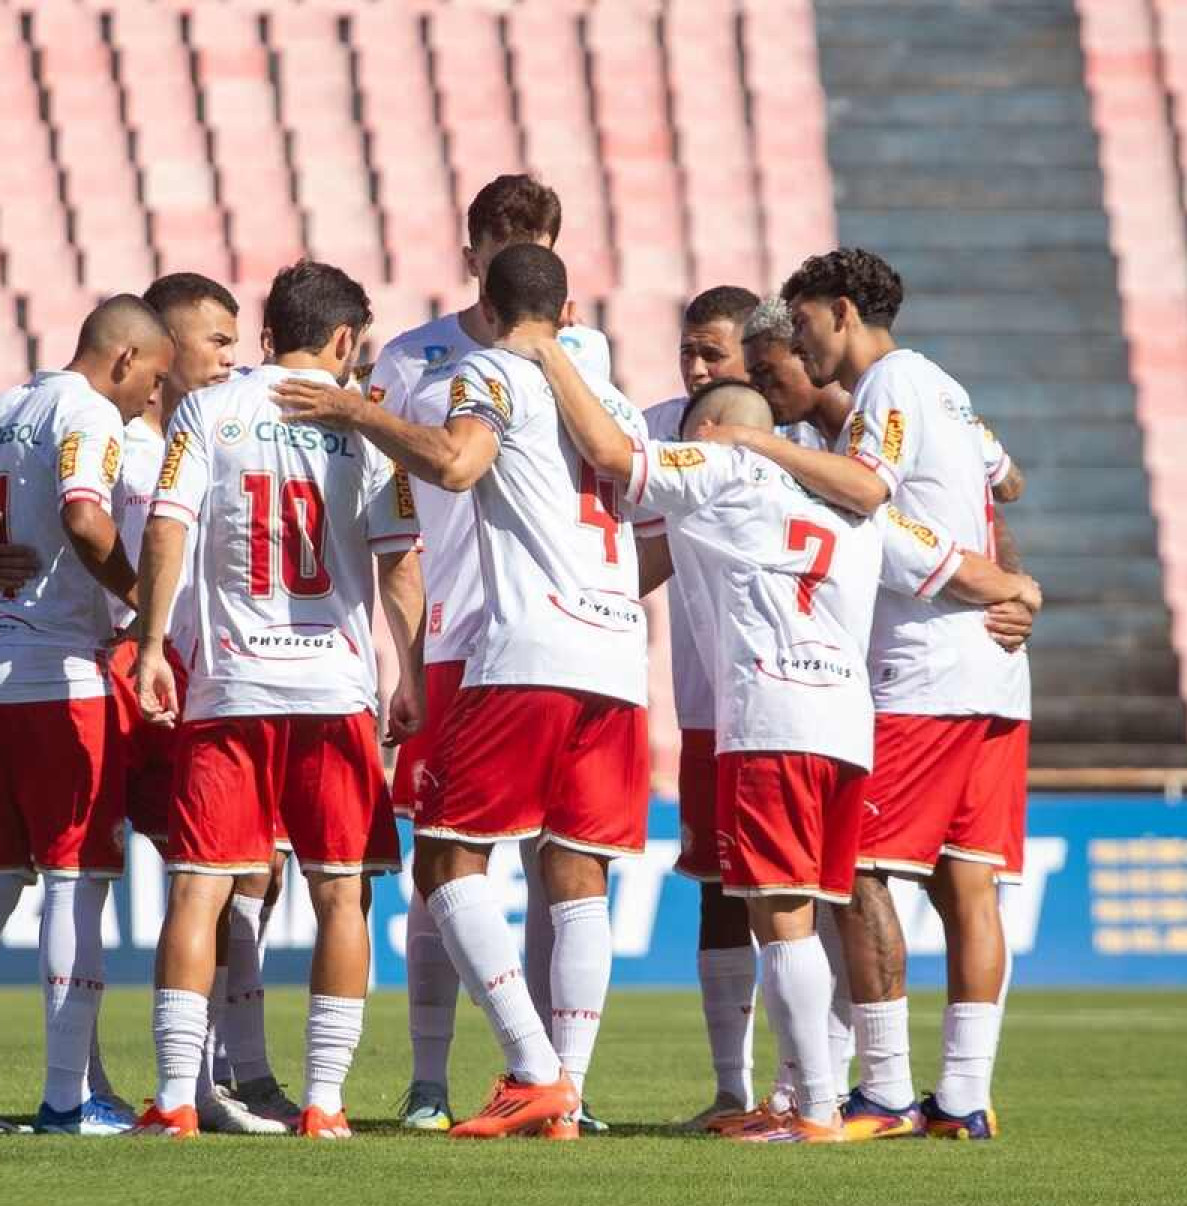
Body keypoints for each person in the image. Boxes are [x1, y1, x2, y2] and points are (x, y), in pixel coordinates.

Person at [550, 377, 1041, 1141]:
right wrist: (1023, 593)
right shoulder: (856, 505)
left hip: (769, 718)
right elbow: (954, 565)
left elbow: (614, 454)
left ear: (712, 429)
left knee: (780, 919)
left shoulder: (723, 470)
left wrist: (549, 355)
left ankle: (812, 1107)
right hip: (849, 728)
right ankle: (808, 1098)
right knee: (810, 911)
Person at [283, 243, 651, 1139]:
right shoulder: (615, 406)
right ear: (568, 313)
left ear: (484, 304)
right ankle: (569, 1088)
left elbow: (454, 463)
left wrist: (354, 412)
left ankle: (532, 1070)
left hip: (528, 646)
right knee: (576, 872)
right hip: (619, 654)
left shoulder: (489, 369)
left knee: (446, 860)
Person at [129, 260, 425, 1140]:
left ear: (268, 334)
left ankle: (178, 1096)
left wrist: (150, 645)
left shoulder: (208, 409)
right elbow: (400, 560)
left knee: (198, 890)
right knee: (341, 894)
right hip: (331, 691)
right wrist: (404, 672)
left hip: (231, 686)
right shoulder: (370, 429)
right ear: (344, 341)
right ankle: (326, 1104)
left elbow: (166, 525)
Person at [749, 248, 1037, 1139]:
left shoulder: (885, 389)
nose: (799, 342)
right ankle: (964, 1096)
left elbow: (872, 496)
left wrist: (759, 445)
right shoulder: (944, 386)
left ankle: (884, 1087)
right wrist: (1007, 581)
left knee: (863, 871)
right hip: (997, 676)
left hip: (928, 668)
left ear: (843, 311)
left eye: (802, 324)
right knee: (970, 886)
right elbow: (1007, 477)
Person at [0, 295, 174, 1135]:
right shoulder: (86, 412)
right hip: (59, 675)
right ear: (125, 359)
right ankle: (68, 1096)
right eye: (153, 381)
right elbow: (83, 516)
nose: (150, 402)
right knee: (75, 886)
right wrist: (146, 606)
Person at [635, 285, 770, 1132]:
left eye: (712, 353)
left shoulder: (795, 434)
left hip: (795, 699)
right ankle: (733, 1088)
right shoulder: (659, 425)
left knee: (804, 892)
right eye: (688, 351)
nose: (695, 367)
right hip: (702, 702)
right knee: (719, 890)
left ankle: (823, 1086)